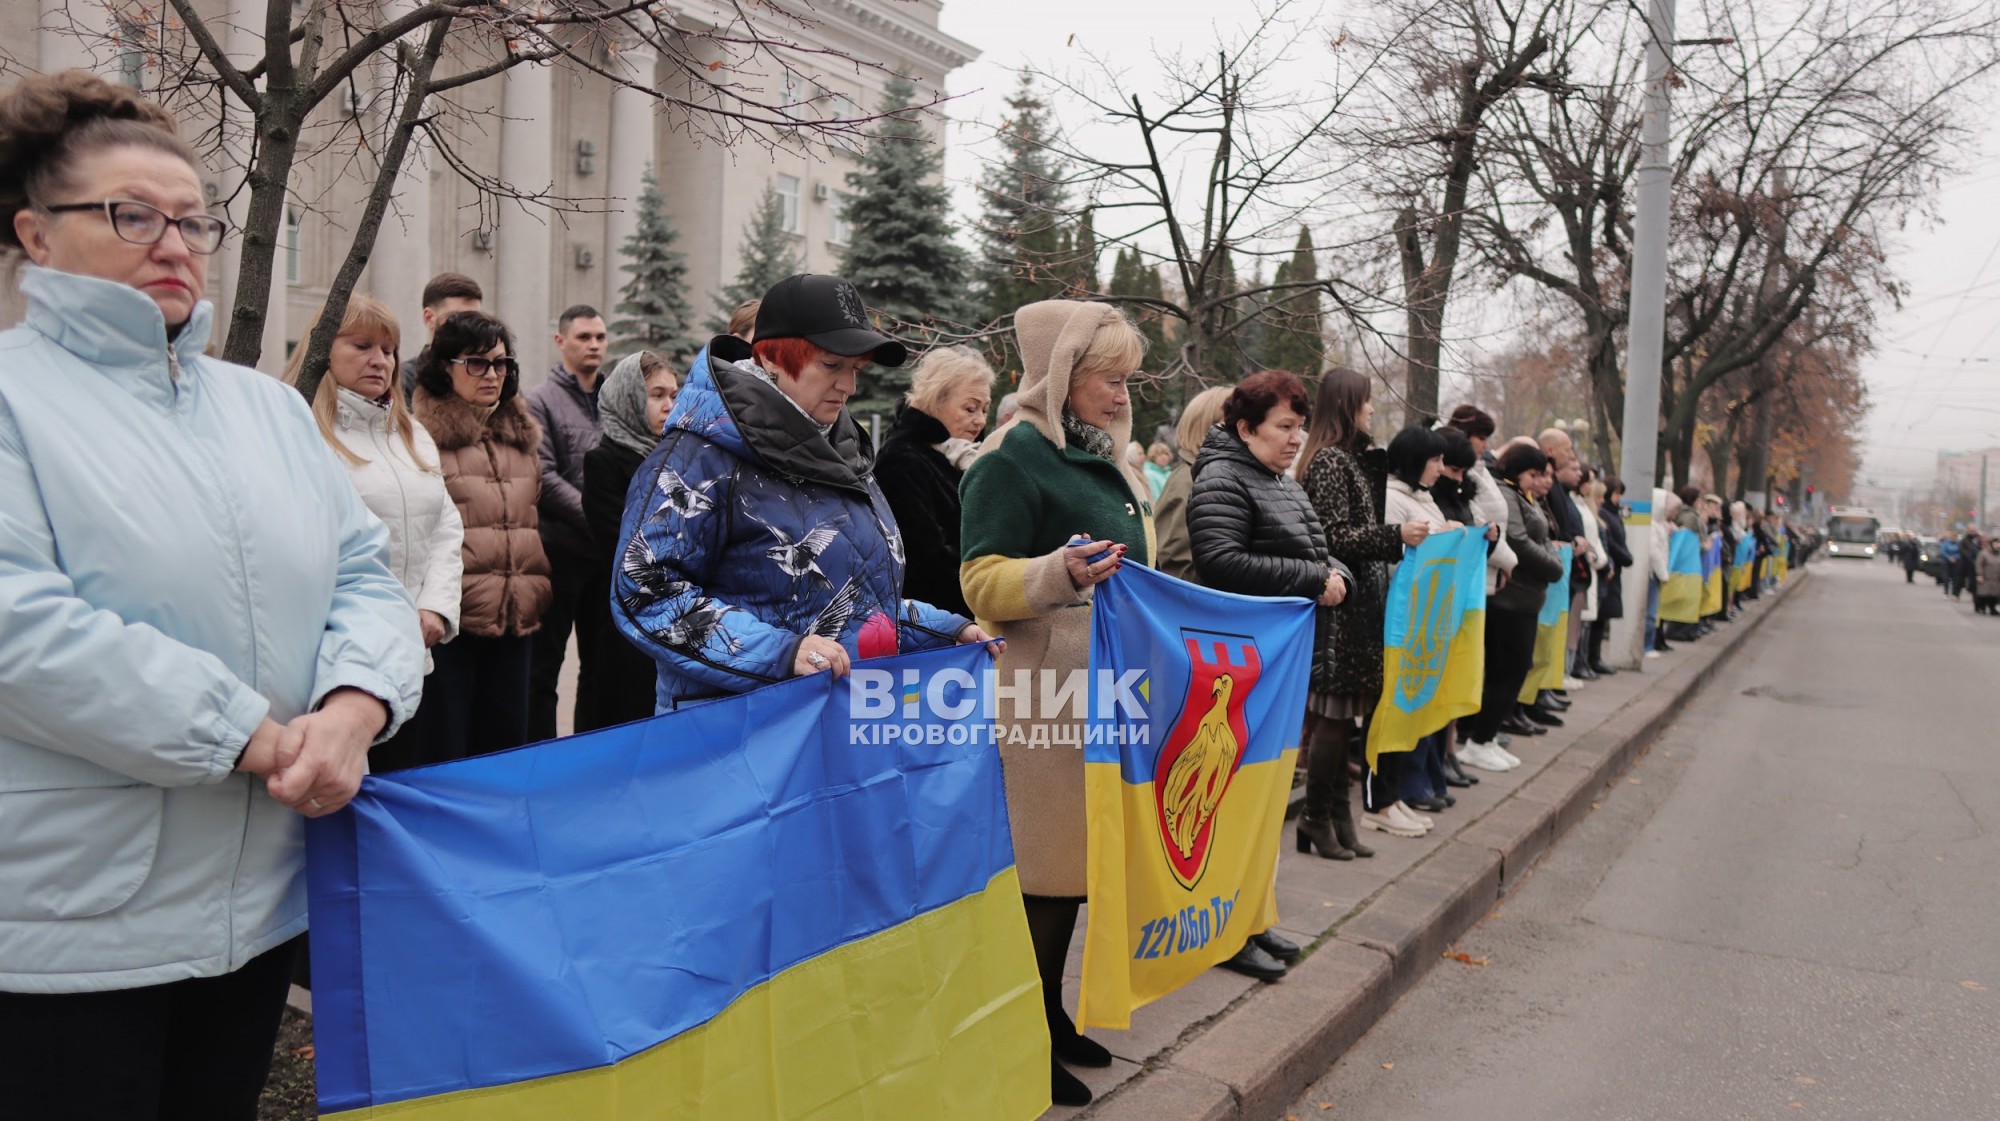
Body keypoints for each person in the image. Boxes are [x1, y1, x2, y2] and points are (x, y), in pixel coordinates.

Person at [0, 71, 423, 1118]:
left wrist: (353, 709)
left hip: (261, 898)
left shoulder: (265, 412)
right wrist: (259, 737)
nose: (174, 243)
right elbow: (23, 632)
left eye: (192, 219)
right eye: (130, 215)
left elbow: (364, 576)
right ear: (35, 235)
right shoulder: (12, 398)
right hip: (71, 925)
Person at [611, 271, 993, 706]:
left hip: (828, 720)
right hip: (736, 734)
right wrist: (782, 653)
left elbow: (850, 601)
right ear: (773, 358)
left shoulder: (846, 456)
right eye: (831, 365)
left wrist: (945, 629)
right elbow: (645, 594)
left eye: (855, 370)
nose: (848, 387)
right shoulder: (697, 457)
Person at [958, 299, 1152, 1108]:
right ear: (1063, 375)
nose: (1120, 394)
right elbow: (978, 580)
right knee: (1040, 876)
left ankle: (1053, 1015)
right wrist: (1058, 573)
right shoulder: (1012, 457)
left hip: (1103, 694)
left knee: (1075, 872)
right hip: (1041, 696)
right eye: (1109, 379)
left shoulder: (1103, 456)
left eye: (1126, 380)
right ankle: (1022, 1034)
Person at [1185, 370, 1353, 983]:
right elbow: (1222, 562)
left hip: (1274, 668)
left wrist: (1337, 576)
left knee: (1260, 805)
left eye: (1299, 426)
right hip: (1238, 669)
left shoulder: (1275, 479)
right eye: (1284, 426)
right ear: (1245, 426)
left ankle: (1250, 918)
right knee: (1232, 808)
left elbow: (1315, 550)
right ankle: (1225, 932)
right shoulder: (1223, 478)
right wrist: (1315, 580)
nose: (1295, 438)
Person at [284, 296, 465, 768]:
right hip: (337, 661)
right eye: (362, 345)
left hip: (416, 649)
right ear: (323, 349)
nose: (379, 360)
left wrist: (436, 608)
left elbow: (445, 525)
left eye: (388, 350)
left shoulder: (411, 434)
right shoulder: (300, 433)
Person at [411, 311, 553, 760]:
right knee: (447, 750)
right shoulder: (421, 440)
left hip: (515, 617)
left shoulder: (521, 439)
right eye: (476, 362)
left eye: (500, 363)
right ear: (444, 367)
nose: (492, 374)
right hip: (452, 623)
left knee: (507, 750)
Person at [1300, 369, 1427, 845]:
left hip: (1358, 604)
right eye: (1366, 402)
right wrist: (1396, 536)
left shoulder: (1348, 459)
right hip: (1341, 606)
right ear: (1347, 405)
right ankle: (1317, 818)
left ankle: (1337, 819)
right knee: (1333, 718)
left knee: (1343, 717)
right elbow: (1332, 536)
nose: (1372, 410)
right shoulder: (1331, 461)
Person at [578, 350, 677, 733]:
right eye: (656, 395)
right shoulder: (604, 461)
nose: (668, 405)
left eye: (673, 394)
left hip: (675, 621)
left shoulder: (677, 457)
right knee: (627, 725)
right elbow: (622, 548)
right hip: (630, 621)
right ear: (629, 397)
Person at [524, 304, 610, 741]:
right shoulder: (539, 400)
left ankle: (588, 751)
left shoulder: (612, 398)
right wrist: (596, 515)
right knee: (545, 668)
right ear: (561, 342)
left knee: (598, 667)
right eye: (583, 337)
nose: (593, 344)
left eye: (599, 337)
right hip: (558, 552)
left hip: (604, 554)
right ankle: (541, 752)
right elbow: (545, 474)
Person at [874, 345, 996, 619]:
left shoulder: (968, 457)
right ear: (935, 400)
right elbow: (923, 561)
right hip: (938, 624)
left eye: (985, 409)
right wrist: (990, 598)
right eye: (970, 408)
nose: (980, 421)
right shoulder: (901, 460)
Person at [1460, 444, 1565, 756]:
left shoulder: (1521, 495)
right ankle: (1479, 740)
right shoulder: (1506, 493)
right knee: (1506, 670)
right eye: (1534, 474)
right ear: (1517, 469)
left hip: (1525, 597)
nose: (1537, 481)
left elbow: (1540, 537)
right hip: (1510, 597)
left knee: (1514, 669)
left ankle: (1487, 739)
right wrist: (1554, 566)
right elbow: (1517, 540)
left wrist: (1550, 560)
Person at [1378, 426, 1460, 819]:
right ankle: (1400, 790)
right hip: (1407, 620)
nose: (1441, 469)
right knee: (1405, 703)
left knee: (1424, 703)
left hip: (1428, 619)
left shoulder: (1422, 498)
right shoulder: (1393, 499)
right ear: (1414, 461)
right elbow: (1394, 562)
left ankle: (1422, 781)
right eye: (1435, 460)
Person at [1432, 427, 1508, 778]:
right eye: (1453, 470)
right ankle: (1438, 759)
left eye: (1463, 473)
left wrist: (1489, 539)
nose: (1458, 479)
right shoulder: (1434, 496)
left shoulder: (1461, 495)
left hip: (1459, 601)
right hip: (1437, 603)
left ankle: (1448, 753)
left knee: (1455, 680)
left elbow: (1473, 539)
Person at [1153, 386, 1232, 583]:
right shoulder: (1188, 481)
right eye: (1233, 422)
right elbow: (1177, 567)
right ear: (1207, 426)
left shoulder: (1217, 475)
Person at [399, 271, 483, 403]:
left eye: (476, 319)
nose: (468, 327)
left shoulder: (489, 374)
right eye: (456, 318)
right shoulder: (404, 379)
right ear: (429, 318)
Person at [1591, 475, 1633, 674]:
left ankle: (1594, 657)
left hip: (1612, 569)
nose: (1618, 498)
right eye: (1616, 493)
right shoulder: (1606, 514)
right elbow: (1610, 542)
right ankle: (1592, 658)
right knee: (1597, 617)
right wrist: (1624, 557)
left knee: (1602, 616)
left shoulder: (1612, 514)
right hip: (1608, 569)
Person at [1977, 536, 2000, 615]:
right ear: (1991, 544)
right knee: (1984, 594)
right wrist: (1980, 574)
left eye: (1999, 543)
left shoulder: (1999, 554)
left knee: (1994, 594)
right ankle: (1982, 607)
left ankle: (1992, 608)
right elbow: (1979, 564)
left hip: (1996, 578)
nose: (1998, 545)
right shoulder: (1984, 553)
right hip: (1986, 577)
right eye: (1996, 543)